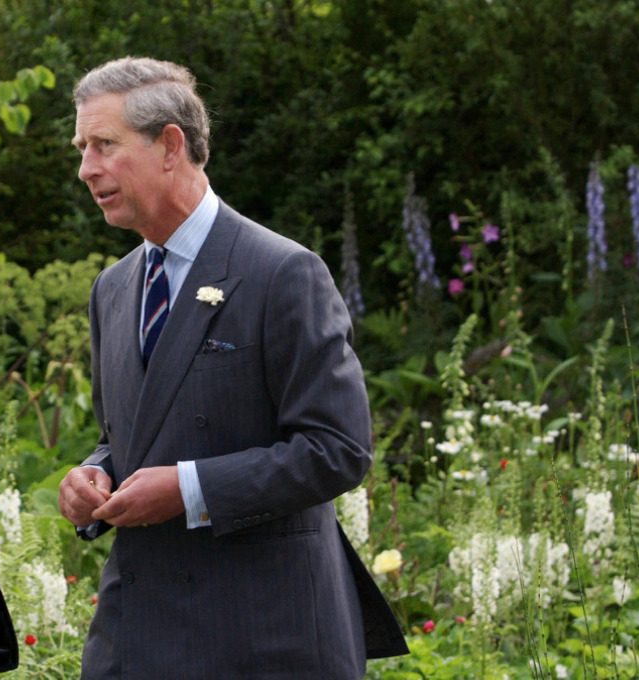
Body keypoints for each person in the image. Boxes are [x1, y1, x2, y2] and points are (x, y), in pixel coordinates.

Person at [57, 57, 409, 678]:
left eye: (104, 145)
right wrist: (94, 475)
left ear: (170, 145)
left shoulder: (282, 273)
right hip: (137, 634)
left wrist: (189, 489)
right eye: (83, 148)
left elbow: (338, 448)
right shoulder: (111, 291)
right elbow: (126, 438)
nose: (86, 168)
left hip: (264, 636)